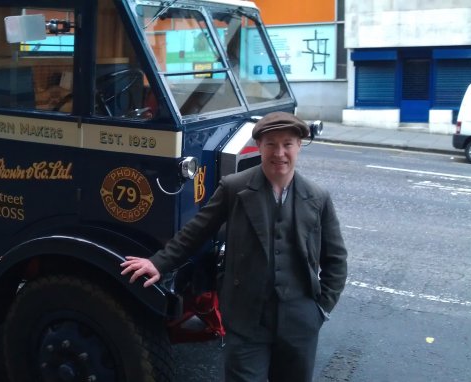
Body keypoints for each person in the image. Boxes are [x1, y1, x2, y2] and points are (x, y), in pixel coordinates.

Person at [121, 111, 348, 381]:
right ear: (259, 147)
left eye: (287, 144)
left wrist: (320, 310)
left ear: (299, 146)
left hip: (299, 322)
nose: (279, 153)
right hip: (245, 318)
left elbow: (335, 260)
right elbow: (197, 231)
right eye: (271, 144)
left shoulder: (318, 197)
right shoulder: (234, 187)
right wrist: (158, 262)